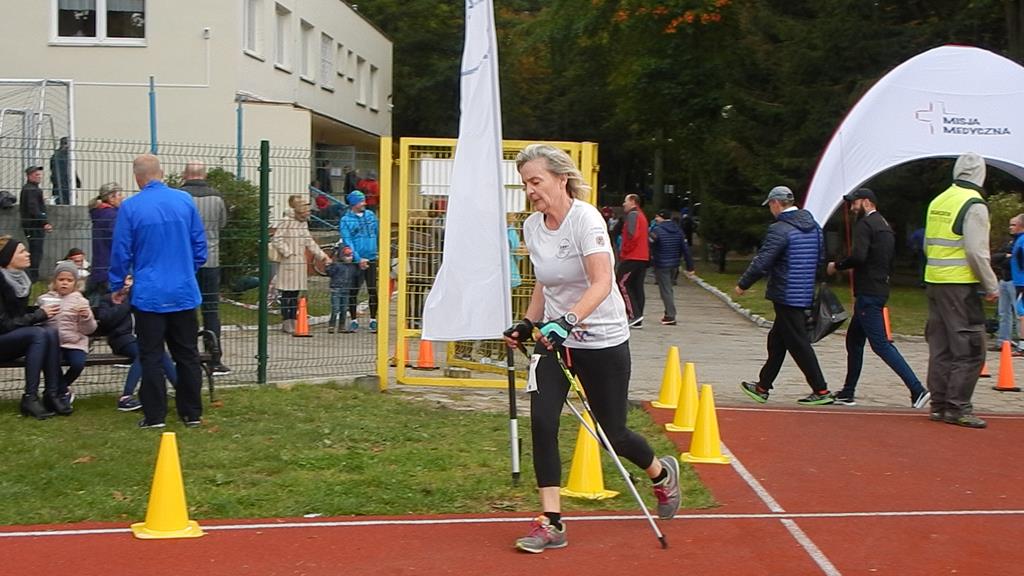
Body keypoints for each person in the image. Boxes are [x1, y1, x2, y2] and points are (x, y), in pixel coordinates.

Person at [502, 144, 680, 554]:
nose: (530, 191)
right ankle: (551, 522)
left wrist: (568, 320)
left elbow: (602, 282)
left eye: (536, 181)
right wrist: (528, 322)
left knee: (612, 433)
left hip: (601, 339)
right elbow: (545, 281)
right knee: (542, 422)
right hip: (555, 341)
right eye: (525, 183)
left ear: (561, 178)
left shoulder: (586, 220)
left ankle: (660, 473)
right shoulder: (533, 226)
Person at [109, 154, 207, 429]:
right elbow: (199, 245)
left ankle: (155, 416)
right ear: (161, 173)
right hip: (183, 291)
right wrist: (187, 269)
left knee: (150, 355)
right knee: (187, 354)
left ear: (137, 177)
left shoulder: (130, 207)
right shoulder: (184, 200)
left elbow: (121, 250)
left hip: (149, 294)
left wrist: (117, 285)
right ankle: (191, 413)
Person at [826, 188, 929, 408]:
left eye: (854, 203)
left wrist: (838, 265)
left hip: (868, 292)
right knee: (854, 340)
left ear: (866, 202)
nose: (852, 208)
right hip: (879, 288)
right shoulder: (885, 226)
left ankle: (917, 389)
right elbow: (889, 260)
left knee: (881, 345)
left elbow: (859, 256)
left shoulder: (865, 225)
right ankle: (848, 392)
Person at [736, 185, 833, 406]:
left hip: (785, 292)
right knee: (777, 340)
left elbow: (763, 261)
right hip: (803, 292)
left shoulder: (779, 229)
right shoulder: (815, 227)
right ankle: (762, 386)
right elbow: (820, 259)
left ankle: (821, 389)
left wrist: (744, 284)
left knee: (798, 343)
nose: (770, 210)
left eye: (770, 205)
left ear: (776, 203)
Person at [923, 152, 999, 429]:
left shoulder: (939, 200)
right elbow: (976, 251)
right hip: (960, 286)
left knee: (941, 347)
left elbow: (927, 244)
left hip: (935, 281)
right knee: (970, 348)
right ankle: (958, 407)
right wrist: (990, 284)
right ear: (981, 174)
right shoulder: (974, 204)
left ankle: (939, 404)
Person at [0, 236, 66, 419]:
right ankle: (30, 397)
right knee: (37, 334)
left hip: (10, 336)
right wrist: (39, 315)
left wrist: (40, 310)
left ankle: (51, 394)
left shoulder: (21, 280)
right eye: (22, 251)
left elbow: (17, 316)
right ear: (8, 257)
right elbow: (3, 324)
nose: (28, 254)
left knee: (50, 332)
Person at [94, 276, 178, 412]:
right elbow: (106, 320)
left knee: (159, 351)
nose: (127, 284)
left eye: (130, 279)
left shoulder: (137, 296)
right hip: (122, 340)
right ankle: (126, 397)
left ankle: (181, 390)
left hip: (141, 339)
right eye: (125, 280)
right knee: (144, 353)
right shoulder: (107, 299)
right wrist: (125, 304)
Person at [181, 161, 231, 375]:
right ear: (205, 175)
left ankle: (187, 355)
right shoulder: (217, 197)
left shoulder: (179, 197)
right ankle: (214, 358)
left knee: (185, 309)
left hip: (185, 260)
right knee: (211, 309)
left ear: (185, 174)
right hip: (211, 259)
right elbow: (222, 223)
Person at [36, 260, 97, 406]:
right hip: (53, 344)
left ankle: (61, 388)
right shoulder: (44, 299)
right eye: (61, 279)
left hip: (75, 342)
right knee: (52, 363)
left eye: (69, 280)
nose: (65, 283)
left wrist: (86, 317)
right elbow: (37, 322)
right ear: (54, 281)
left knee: (78, 364)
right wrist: (42, 315)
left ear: (75, 283)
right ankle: (60, 393)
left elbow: (89, 329)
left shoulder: (81, 301)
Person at [270, 195, 329, 334]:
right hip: (288, 262)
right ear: (298, 211)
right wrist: (288, 253)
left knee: (295, 293)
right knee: (287, 293)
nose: (307, 215)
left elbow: (309, 242)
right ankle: (286, 320)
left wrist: (322, 256)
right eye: (305, 212)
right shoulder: (286, 221)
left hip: (300, 263)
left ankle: (293, 319)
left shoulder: (303, 223)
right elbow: (277, 239)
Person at [339, 190, 380, 332]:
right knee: (353, 289)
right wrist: (358, 258)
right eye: (361, 201)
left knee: (372, 289)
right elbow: (347, 240)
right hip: (356, 261)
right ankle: (354, 320)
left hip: (372, 258)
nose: (365, 203)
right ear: (354, 203)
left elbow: (378, 233)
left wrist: (379, 250)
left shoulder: (370, 216)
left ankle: (373, 319)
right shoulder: (346, 220)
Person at [649, 208, 694, 325]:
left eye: (657, 217)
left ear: (661, 217)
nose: (655, 219)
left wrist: (649, 260)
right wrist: (690, 267)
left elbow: (649, 243)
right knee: (669, 289)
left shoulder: (657, 230)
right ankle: (668, 312)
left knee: (666, 290)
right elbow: (685, 249)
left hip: (661, 264)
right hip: (674, 264)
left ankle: (670, 315)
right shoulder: (678, 230)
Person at [87, 182, 124, 305]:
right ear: (111, 198)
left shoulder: (98, 214)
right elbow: (119, 241)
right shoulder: (113, 216)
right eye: (119, 195)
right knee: (112, 305)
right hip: (111, 268)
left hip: (99, 267)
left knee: (97, 303)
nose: (122, 197)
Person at [616, 193, 649, 327]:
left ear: (633, 201)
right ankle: (638, 317)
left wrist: (624, 251)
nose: (623, 204)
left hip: (632, 256)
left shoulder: (632, 215)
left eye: (626, 201)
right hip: (642, 256)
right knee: (636, 286)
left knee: (622, 283)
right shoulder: (641, 216)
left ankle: (633, 314)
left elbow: (632, 235)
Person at [19, 165, 51, 283]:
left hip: (31, 224)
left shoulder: (30, 189)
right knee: (36, 252)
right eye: (36, 175)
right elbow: (33, 209)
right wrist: (44, 222)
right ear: (29, 176)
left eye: (39, 174)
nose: (39, 177)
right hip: (34, 225)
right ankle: (33, 277)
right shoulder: (32, 190)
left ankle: (32, 276)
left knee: (35, 251)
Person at [326, 243, 358, 333]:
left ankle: (341, 326)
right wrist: (328, 266)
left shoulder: (352, 266)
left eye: (350, 256)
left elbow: (356, 274)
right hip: (336, 289)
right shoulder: (336, 265)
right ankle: (331, 326)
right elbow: (329, 273)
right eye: (347, 256)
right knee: (335, 309)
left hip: (346, 289)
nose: (349, 258)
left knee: (344, 309)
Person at [49, 137, 79, 205]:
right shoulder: (61, 156)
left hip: (63, 186)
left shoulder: (62, 155)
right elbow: (66, 172)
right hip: (64, 187)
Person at [1010, 214, 1024, 356]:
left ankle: (1022, 346)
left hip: (1021, 282)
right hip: (1018, 281)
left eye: (1013, 225)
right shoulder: (1018, 240)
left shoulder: (1022, 240)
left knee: (1022, 314)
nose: (1011, 228)